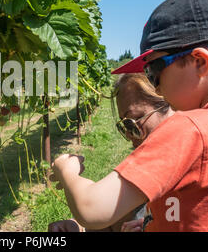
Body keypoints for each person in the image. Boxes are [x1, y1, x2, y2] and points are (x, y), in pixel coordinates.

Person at [50, 0, 208, 231]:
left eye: (154, 72)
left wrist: (66, 171)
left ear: (199, 61)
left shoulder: (190, 128)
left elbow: (92, 209)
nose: (158, 87)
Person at [48, 73, 174, 232]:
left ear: (169, 104)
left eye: (132, 121)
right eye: (124, 125)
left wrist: (67, 170)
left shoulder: (168, 151)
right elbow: (117, 217)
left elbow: (91, 207)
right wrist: (79, 227)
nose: (128, 135)